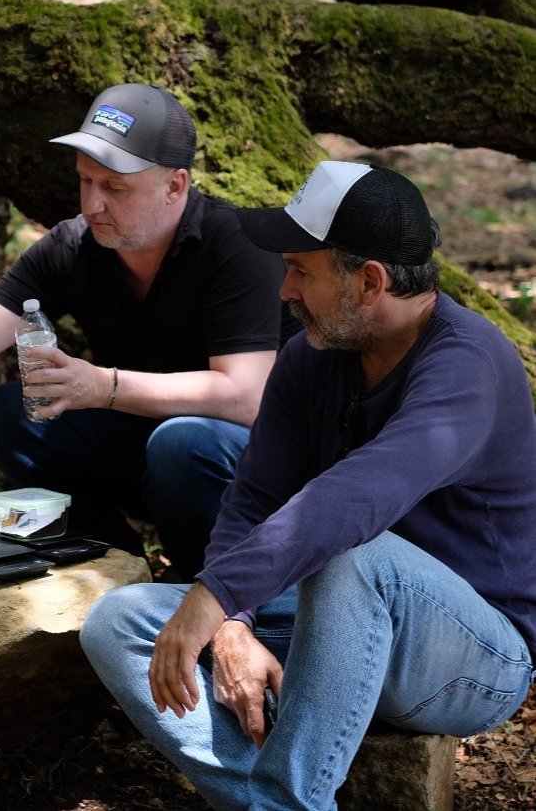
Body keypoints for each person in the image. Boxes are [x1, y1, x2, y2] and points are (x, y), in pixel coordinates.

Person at [80, 160, 536, 811]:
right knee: (119, 621)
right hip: (334, 618)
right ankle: (272, 800)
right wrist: (233, 623)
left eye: (301, 270)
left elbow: (359, 495)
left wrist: (217, 594)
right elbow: (253, 500)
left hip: (474, 657)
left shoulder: (468, 363)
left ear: (369, 281)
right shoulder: (312, 353)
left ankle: (288, 796)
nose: (284, 289)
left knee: (353, 550)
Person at [0, 83, 287, 571]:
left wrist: (103, 386)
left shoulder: (234, 244)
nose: (91, 205)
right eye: (85, 182)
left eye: (114, 189)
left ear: (176, 186)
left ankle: (212, 591)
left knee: (183, 442)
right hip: (153, 455)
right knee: (12, 412)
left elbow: (247, 396)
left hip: (258, 471)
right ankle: (112, 567)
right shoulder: (78, 246)